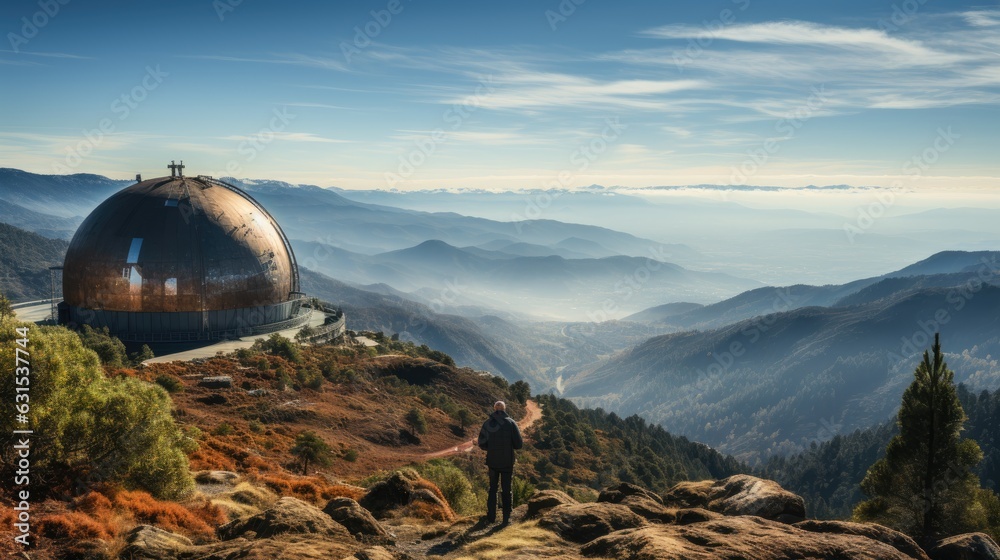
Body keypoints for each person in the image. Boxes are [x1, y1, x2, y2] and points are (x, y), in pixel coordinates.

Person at [477, 400, 523, 525]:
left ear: (494, 409)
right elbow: (519, 444)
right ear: (504, 409)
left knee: (493, 488)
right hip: (507, 462)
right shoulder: (511, 423)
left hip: (492, 462)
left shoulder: (487, 424)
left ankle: (491, 517)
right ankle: (506, 518)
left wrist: (491, 448)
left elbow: (481, 443)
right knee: (507, 489)